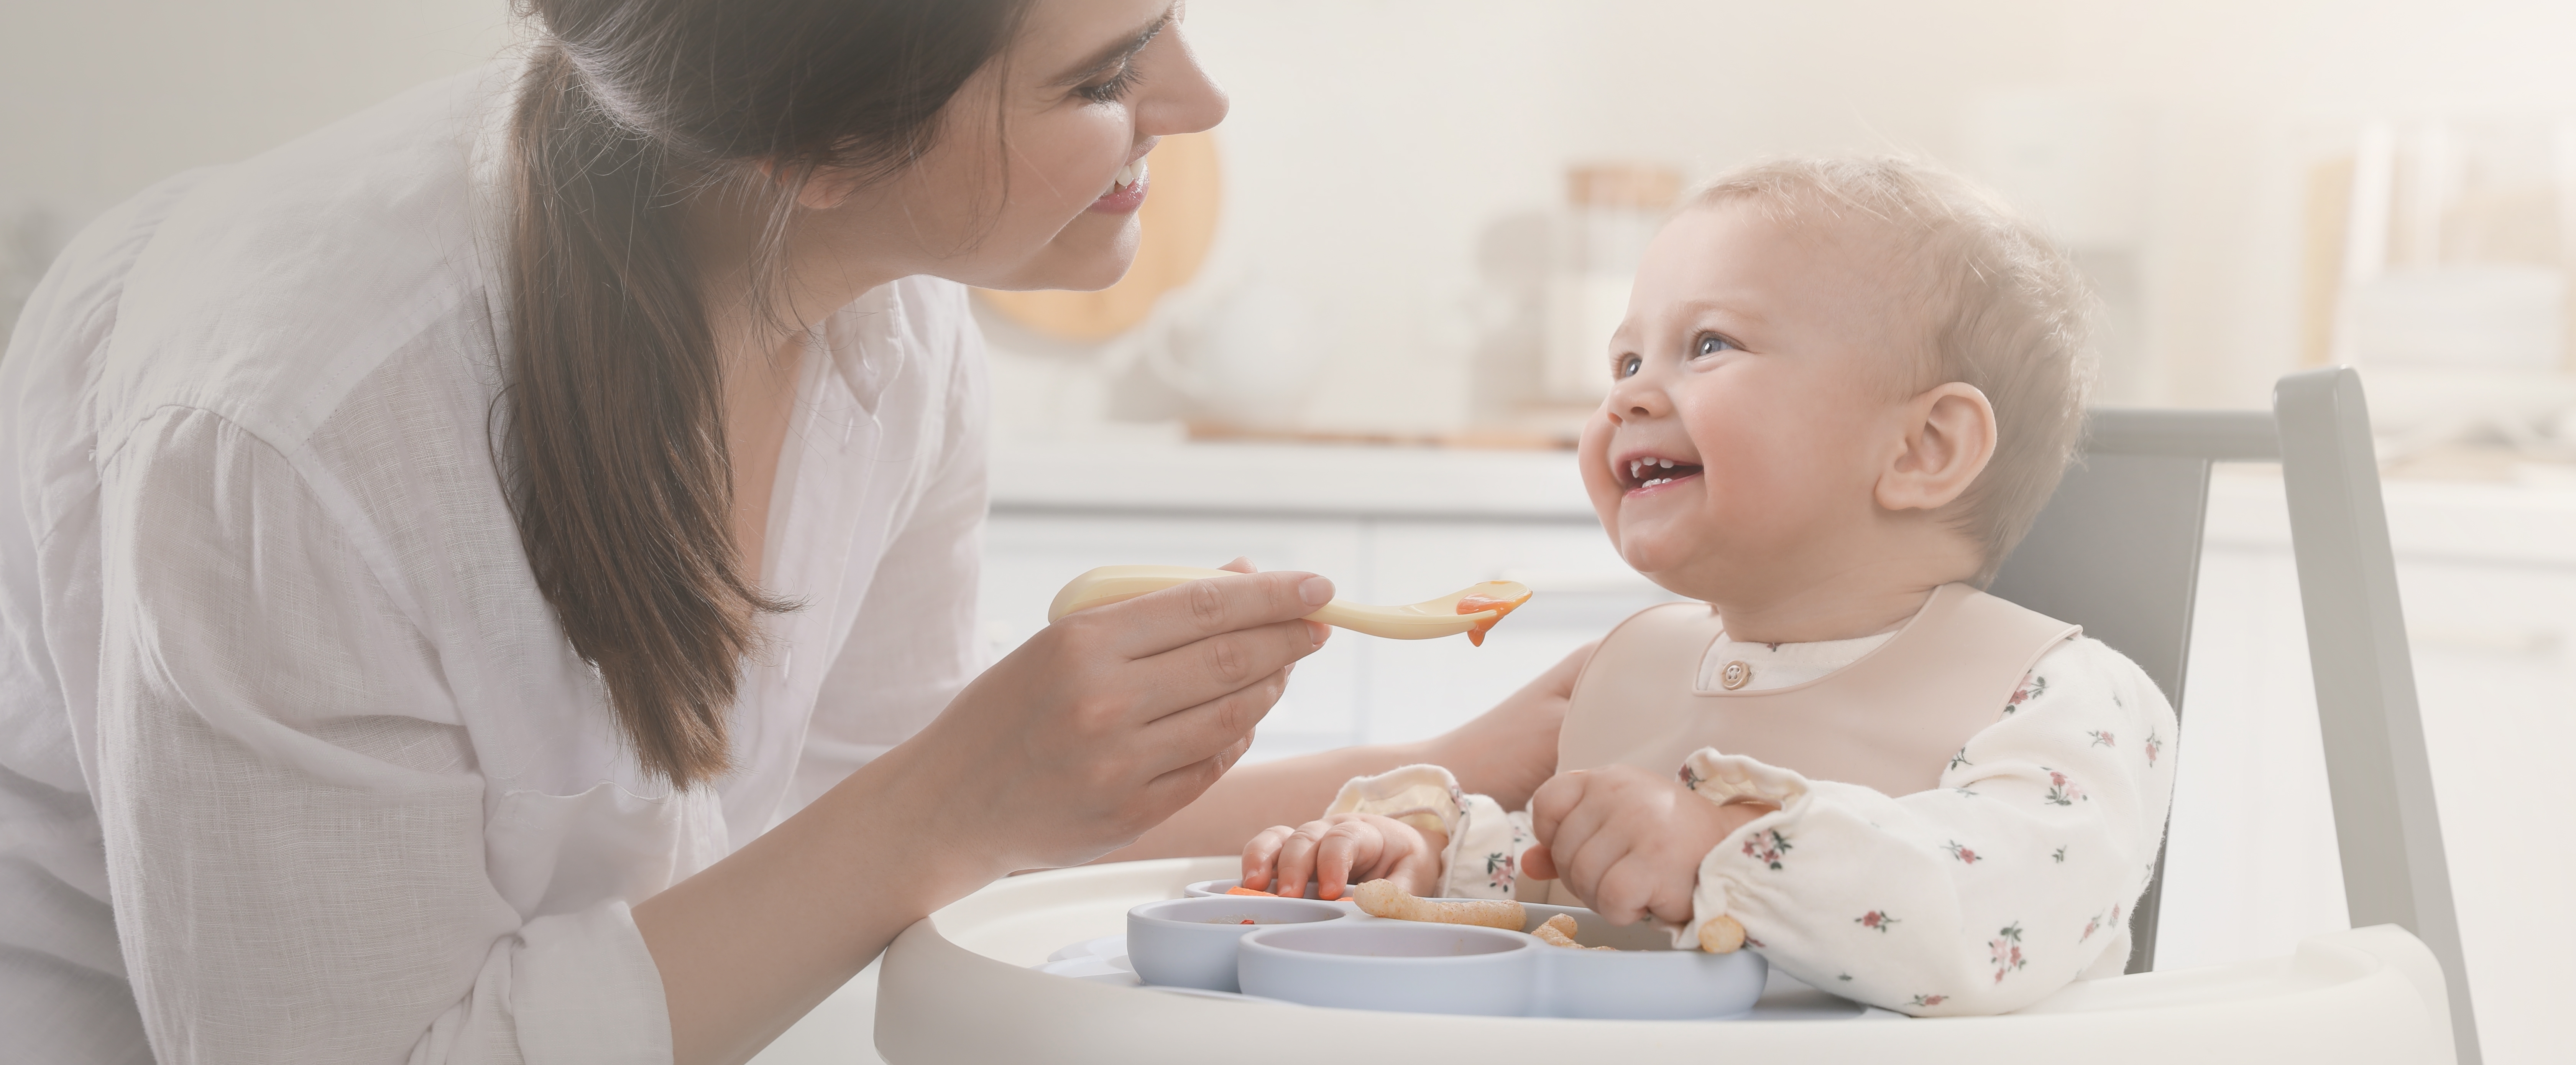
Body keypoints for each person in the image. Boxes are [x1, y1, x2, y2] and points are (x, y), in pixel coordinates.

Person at [0, 2, 1578, 1062]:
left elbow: (869, 821)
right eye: (1102, 74)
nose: (1199, 102)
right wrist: (955, 787)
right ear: (816, 150)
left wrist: (1491, 753)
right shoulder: (301, 429)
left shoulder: (885, 317)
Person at [1241, 156, 2180, 1016]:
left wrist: (1725, 846)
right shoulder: (1641, 665)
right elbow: (1568, 890)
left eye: (1711, 345)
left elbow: (1991, 912)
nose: (1629, 397)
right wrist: (1431, 867)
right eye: (1627, 360)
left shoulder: (2059, 695)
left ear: (1922, 448)